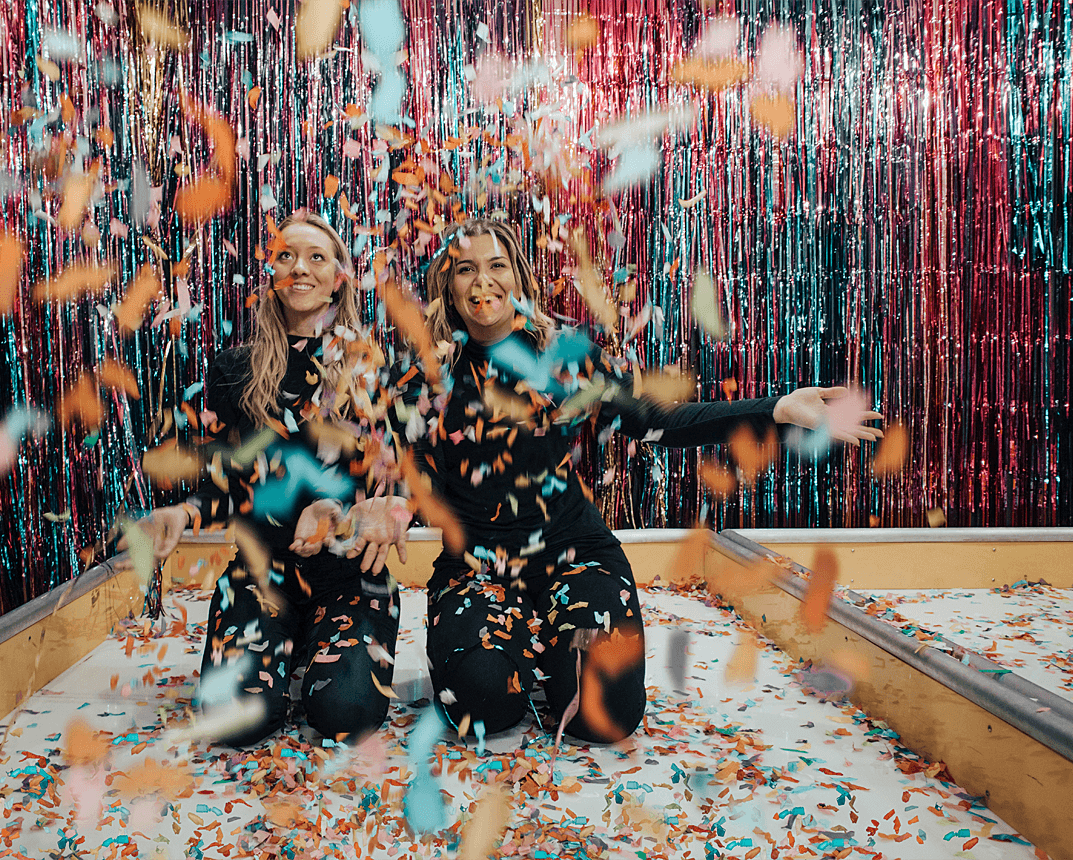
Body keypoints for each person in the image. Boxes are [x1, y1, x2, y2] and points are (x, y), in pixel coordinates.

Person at [398, 218, 882, 744]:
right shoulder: (426, 373)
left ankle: (559, 649)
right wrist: (400, 504)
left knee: (604, 715)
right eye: (465, 269)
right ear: (446, 285)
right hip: (476, 566)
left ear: (519, 278)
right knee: (483, 705)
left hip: (574, 555)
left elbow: (660, 420)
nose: (482, 282)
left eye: (497, 266)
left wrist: (777, 409)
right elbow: (418, 464)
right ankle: (516, 646)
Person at [130, 212, 410, 745]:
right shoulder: (233, 369)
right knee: (238, 722)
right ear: (272, 273)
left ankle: (318, 648)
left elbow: (397, 479)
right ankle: (283, 643)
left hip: (349, 580)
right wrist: (181, 513)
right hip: (262, 577)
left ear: (339, 278)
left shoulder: (373, 370)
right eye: (286, 255)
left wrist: (383, 510)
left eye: (316, 257)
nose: (300, 268)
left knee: (344, 714)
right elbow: (220, 481)